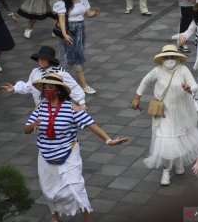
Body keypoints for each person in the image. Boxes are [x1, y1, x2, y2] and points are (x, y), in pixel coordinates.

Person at [25, 73, 128, 222]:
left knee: (76, 189)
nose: (47, 90)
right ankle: (54, 216)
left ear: (59, 90)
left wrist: (108, 140)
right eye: (45, 87)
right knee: (49, 190)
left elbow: (91, 124)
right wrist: (32, 127)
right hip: (45, 154)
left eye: (50, 87)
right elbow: (26, 129)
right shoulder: (40, 107)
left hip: (68, 153)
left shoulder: (72, 108)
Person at [131, 45, 198, 186]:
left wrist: (190, 88)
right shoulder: (157, 71)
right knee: (165, 140)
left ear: (177, 57)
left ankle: (179, 163)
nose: (169, 59)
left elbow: (194, 86)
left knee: (179, 137)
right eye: (167, 57)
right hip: (163, 113)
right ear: (162, 58)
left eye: (172, 57)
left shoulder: (183, 69)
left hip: (181, 112)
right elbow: (145, 81)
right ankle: (166, 172)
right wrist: (137, 98)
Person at [1, 45, 87, 110]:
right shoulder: (35, 72)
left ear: (50, 60)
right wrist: (15, 88)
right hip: (41, 108)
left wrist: (81, 102)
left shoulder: (60, 73)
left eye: (44, 59)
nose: (41, 61)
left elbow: (73, 86)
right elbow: (29, 86)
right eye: (40, 58)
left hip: (57, 108)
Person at [53, 0, 100, 94]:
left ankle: (60, 79)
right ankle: (83, 85)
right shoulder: (61, 3)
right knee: (72, 56)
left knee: (74, 56)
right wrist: (64, 34)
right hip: (69, 31)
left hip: (80, 31)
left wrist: (94, 13)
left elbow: (87, 13)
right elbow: (62, 20)